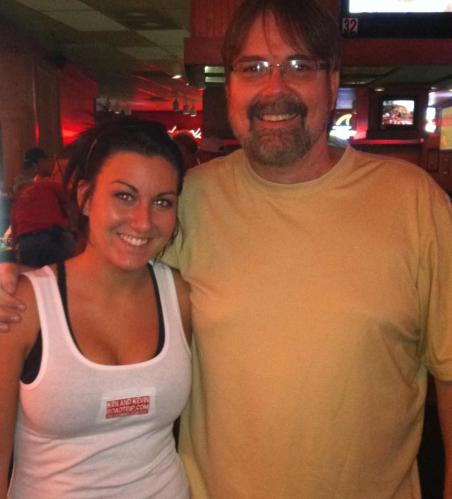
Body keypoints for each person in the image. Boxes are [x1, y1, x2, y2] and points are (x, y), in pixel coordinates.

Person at [1, 0, 452, 498]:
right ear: (230, 86)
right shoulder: (190, 199)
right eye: (253, 67)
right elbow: (102, 279)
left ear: (332, 81)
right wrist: (17, 285)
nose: (274, 88)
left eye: (299, 65)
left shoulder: (413, 202)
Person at [0, 118, 192, 498]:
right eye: (124, 196)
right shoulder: (24, 306)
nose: (143, 221)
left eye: (162, 202)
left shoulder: (180, 295)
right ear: (86, 197)